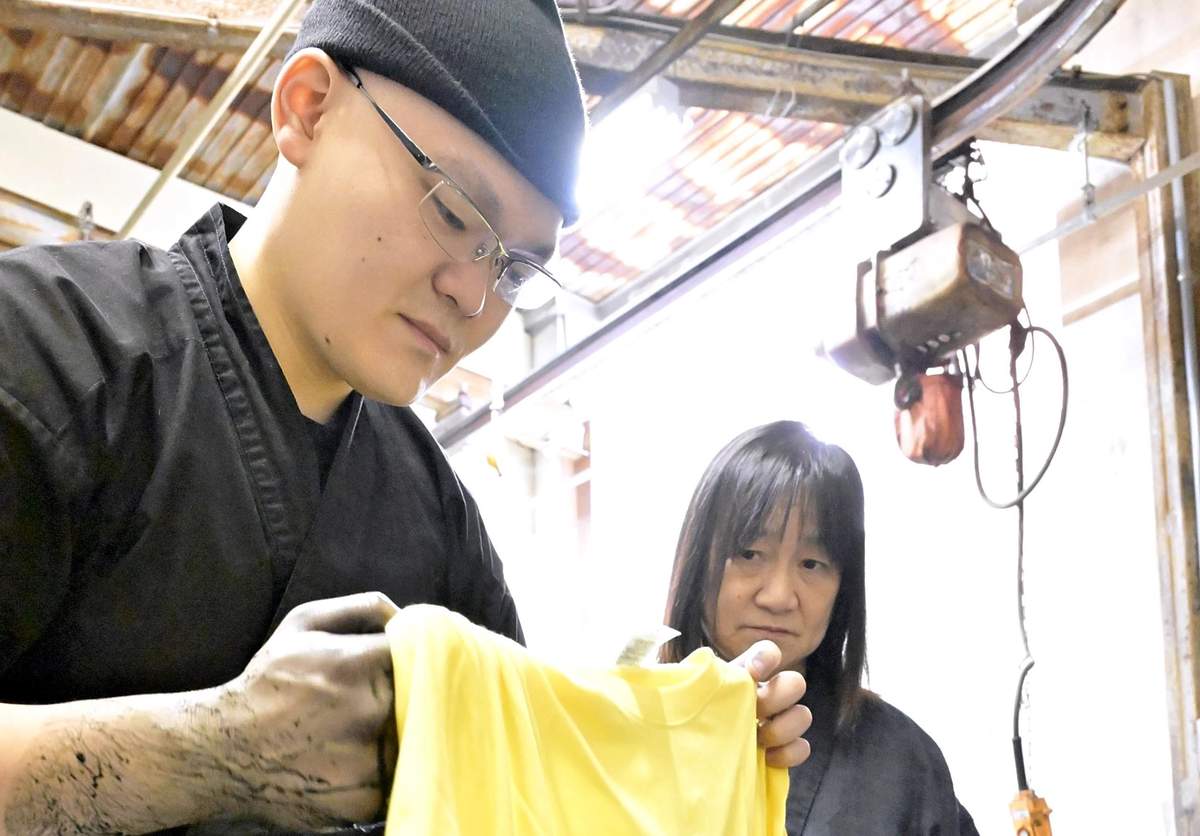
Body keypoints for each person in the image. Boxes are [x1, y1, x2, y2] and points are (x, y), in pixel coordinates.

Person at [0, 2, 811, 833]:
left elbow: (519, 780)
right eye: (454, 211)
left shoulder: (435, 514)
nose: (474, 294)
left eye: (515, 270)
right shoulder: (46, 354)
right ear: (308, 108)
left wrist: (682, 737)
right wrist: (215, 752)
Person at [661, 421, 979, 836]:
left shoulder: (902, 762)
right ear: (698, 561)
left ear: (842, 588)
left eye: (812, 564)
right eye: (750, 553)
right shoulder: (632, 731)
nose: (779, 596)